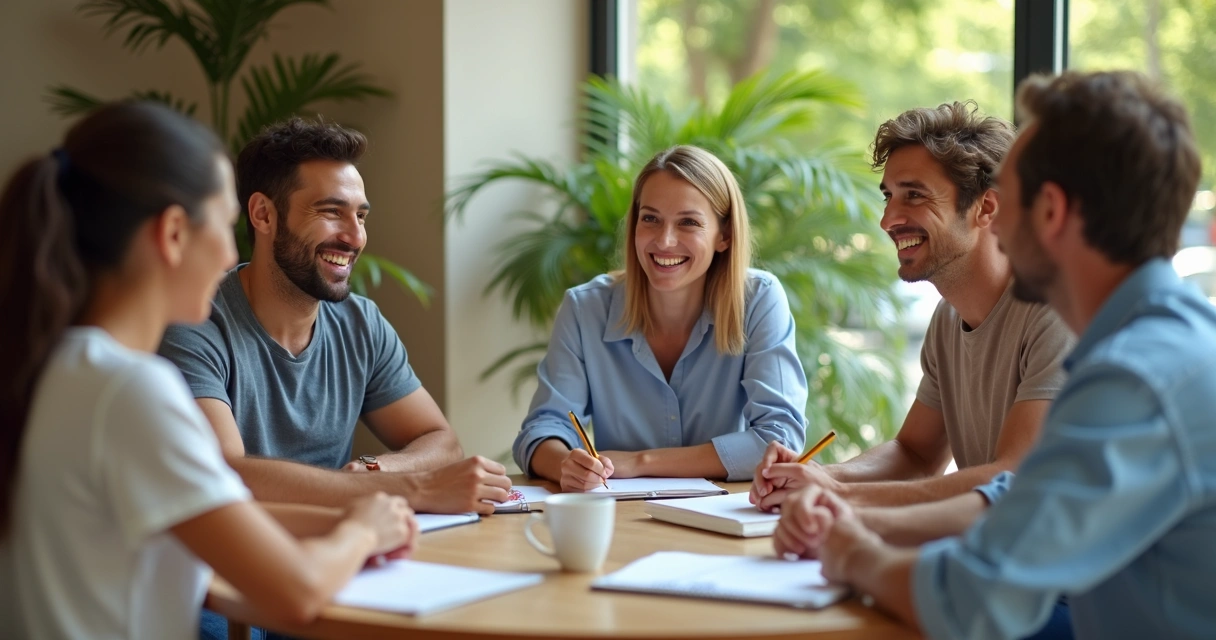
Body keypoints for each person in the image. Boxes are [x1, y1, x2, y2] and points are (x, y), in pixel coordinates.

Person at [776, 70, 1215, 639]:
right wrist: (857, 513)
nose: (997, 218)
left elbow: (975, 599)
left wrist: (854, 552)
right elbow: (1018, 495)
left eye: (1011, 195)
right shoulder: (1162, 339)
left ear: (1050, 211)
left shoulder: (1134, 378)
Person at [0, 102, 418, 639]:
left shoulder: (57, 367)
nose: (229, 256)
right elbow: (298, 592)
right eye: (223, 226)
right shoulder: (132, 391)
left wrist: (359, 518)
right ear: (174, 234)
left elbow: (217, 512)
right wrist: (360, 531)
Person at [158, 118, 511, 516]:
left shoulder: (361, 323)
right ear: (263, 215)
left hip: (352, 547)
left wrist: (373, 471)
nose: (356, 237)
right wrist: (413, 488)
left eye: (360, 216)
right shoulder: (195, 323)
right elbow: (227, 475)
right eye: (331, 212)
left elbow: (440, 440)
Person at [752, 102, 1073, 509]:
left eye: (914, 195)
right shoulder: (948, 317)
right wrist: (818, 475)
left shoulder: (1054, 311)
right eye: (889, 196)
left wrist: (842, 494)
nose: (888, 219)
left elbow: (1011, 477)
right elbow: (916, 455)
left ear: (987, 207)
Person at [514, 145, 808, 492]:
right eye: (650, 218)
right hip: (622, 520)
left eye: (688, 222)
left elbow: (780, 439)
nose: (664, 241)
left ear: (724, 236)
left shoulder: (758, 300)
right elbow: (541, 430)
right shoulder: (585, 308)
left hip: (725, 520)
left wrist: (640, 462)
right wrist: (566, 464)